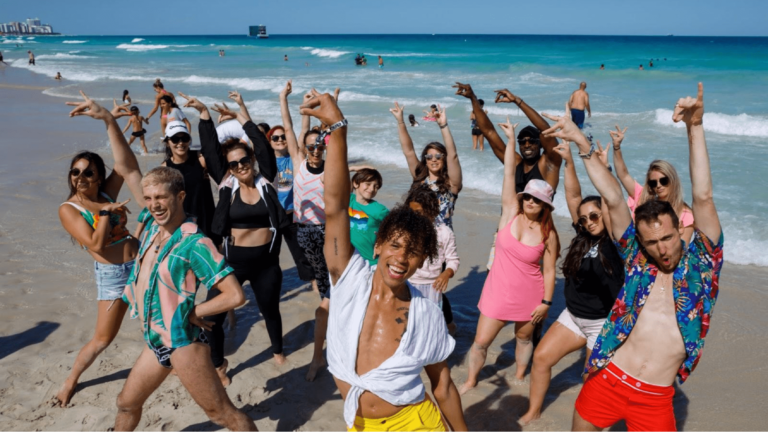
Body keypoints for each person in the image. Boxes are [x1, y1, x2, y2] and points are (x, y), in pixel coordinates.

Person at [541, 83, 724, 432]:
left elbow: (704, 196)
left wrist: (695, 127)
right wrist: (582, 144)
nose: (663, 249)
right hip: (608, 378)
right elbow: (611, 196)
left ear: (680, 227)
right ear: (640, 241)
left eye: (669, 237)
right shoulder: (637, 260)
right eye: (653, 242)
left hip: (655, 398)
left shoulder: (701, 264)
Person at [304, 88, 468, 432]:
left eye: (412, 252)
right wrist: (338, 130)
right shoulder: (348, 279)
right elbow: (334, 206)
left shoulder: (426, 312)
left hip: (416, 422)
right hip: (359, 424)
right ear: (377, 246)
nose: (401, 258)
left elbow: (443, 385)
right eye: (395, 246)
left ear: (423, 260)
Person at [115, 167, 258, 432]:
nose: (154, 205)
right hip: (156, 338)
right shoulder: (149, 223)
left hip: (184, 343)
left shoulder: (195, 243)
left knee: (222, 414)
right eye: (148, 198)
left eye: (161, 197)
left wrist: (194, 311)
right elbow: (130, 169)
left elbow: (235, 295)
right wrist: (111, 124)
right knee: (126, 403)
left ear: (180, 196)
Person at [183, 90, 292, 383]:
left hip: (266, 262)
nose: (240, 166)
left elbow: (260, 142)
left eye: (244, 160)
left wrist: (241, 116)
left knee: (270, 310)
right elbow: (208, 148)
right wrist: (204, 115)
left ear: (252, 160)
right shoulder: (226, 184)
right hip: (231, 263)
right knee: (213, 318)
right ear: (228, 168)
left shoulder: (266, 179)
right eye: (233, 164)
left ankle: (277, 350)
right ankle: (219, 364)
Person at [518, 138, 624, 425]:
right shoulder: (583, 235)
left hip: (601, 324)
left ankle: (593, 423)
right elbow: (573, 195)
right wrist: (569, 162)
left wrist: (602, 166)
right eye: (585, 218)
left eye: (595, 216)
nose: (589, 221)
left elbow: (613, 200)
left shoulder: (615, 242)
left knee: (591, 379)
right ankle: (533, 410)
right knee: (541, 359)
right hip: (573, 316)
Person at [54, 91, 146, 407]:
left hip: (142, 263)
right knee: (103, 339)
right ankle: (70, 382)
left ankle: (166, 363)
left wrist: (111, 121)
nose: (80, 177)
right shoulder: (69, 209)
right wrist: (105, 215)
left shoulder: (106, 193)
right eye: (75, 171)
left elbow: (125, 164)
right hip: (113, 275)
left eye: (88, 172)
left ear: (98, 176)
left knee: (157, 320)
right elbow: (94, 243)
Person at [459, 118, 560, 395]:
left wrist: (546, 303)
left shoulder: (548, 233)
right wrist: (512, 139)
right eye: (528, 196)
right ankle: (470, 380)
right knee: (481, 341)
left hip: (531, 296)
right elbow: (507, 173)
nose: (530, 201)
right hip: (497, 292)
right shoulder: (509, 214)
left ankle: (518, 375)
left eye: (536, 200)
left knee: (524, 340)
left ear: (544, 205)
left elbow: (549, 271)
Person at [285, 84, 334, 381]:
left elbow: (333, 138)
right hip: (306, 233)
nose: (316, 150)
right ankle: (319, 354)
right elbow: (293, 131)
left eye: (320, 146)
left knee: (335, 287)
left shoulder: (331, 167)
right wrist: (288, 100)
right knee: (324, 285)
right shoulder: (298, 163)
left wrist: (330, 108)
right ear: (304, 149)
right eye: (311, 146)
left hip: (330, 232)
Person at [454, 83, 563, 191]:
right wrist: (473, 98)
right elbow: (489, 132)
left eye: (532, 141)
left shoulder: (549, 164)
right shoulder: (515, 164)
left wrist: (517, 101)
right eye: (522, 141)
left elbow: (545, 130)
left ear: (540, 144)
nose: (527, 145)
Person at [611, 125, 695, 245]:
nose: (659, 185)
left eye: (663, 180)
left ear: (673, 180)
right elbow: (623, 175)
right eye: (653, 183)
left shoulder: (686, 215)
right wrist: (617, 147)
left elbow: (682, 250)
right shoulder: (643, 199)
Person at [272, 81, 317, 288]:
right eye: (275, 137)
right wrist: (282, 98)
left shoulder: (295, 157)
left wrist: (305, 107)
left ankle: (314, 288)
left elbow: (301, 130)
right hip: (272, 217)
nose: (281, 139)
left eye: (282, 137)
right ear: (269, 141)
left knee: (301, 255)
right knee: (268, 256)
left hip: (292, 215)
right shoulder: (266, 163)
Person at [391, 102, 463, 229]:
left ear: (444, 159)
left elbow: (453, 156)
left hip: (442, 242)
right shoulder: (420, 178)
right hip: (417, 236)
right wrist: (400, 122)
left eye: (438, 156)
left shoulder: (451, 184)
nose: (433, 160)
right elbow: (409, 152)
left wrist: (443, 126)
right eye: (429, 157)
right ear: (425, 160)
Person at [405, 185, 460, 334]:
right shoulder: (406, 230)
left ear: (432, 211)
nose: (414, 217)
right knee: (409, 325)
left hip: (432, 288)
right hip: (408, 283)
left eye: (419, 213)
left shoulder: (444, 233)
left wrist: (446, 273)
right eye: (411, 212)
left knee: (430, 328)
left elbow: (453, 260)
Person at [159, 117, 218, 246]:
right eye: (175, 139)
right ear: (167, 142)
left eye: (184, 138)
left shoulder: (200, 159)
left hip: (206, 221)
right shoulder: (165, 168)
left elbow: (218, 159)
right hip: (181, 226)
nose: (180, 143)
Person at [348, 167, 389, 264]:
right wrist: (352, 168)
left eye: (376, 186)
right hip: (349, 260)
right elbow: (328, 179)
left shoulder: (379, 210)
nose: (372, 189)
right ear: (355, 183)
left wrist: (382, 241)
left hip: (370, 262)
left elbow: (396, 228)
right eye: (368, 184)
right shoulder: (349, 200)